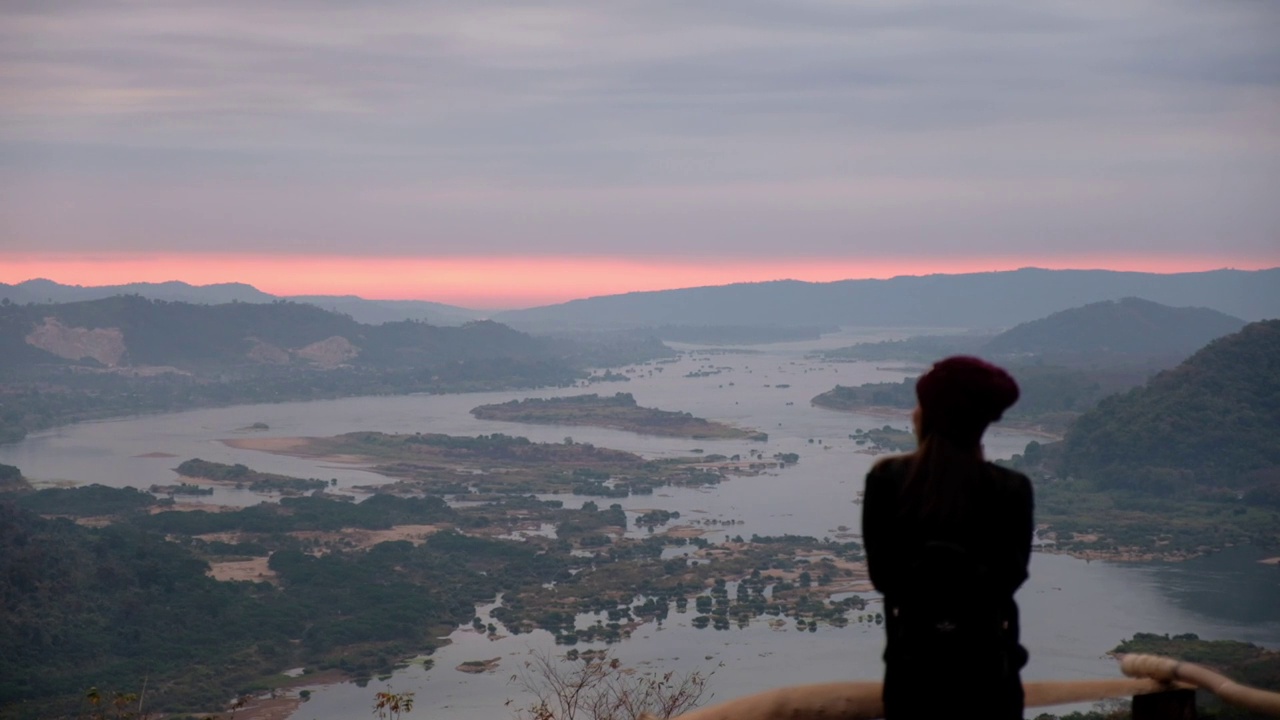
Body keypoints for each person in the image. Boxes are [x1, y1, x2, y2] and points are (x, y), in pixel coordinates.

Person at [861, 356, 1034, 719]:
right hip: (989, 674)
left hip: (912, 674)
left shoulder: (888, 479)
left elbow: (884, 578)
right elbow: (1010, 578)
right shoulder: (1011, 489)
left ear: (929, 415)